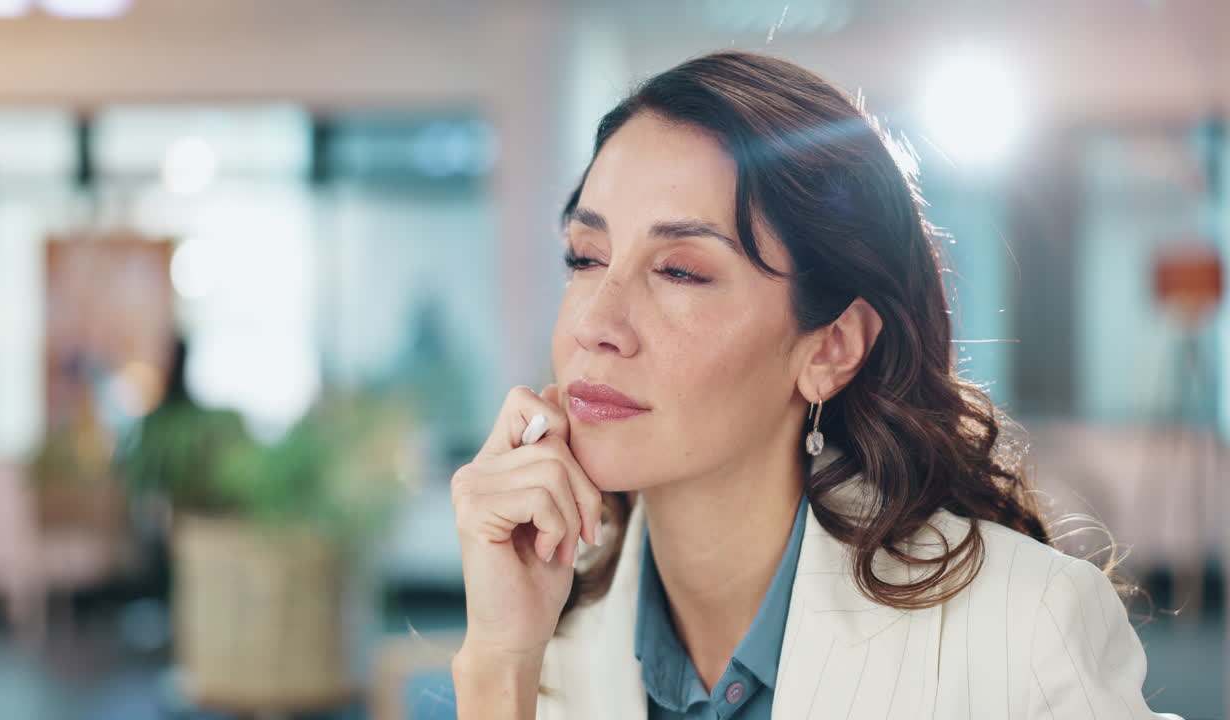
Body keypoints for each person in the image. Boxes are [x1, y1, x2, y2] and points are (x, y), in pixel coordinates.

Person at [449, 50, 1183, 720]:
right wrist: (499, 665)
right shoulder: (545, 636)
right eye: (585, 258)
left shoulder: (1023, 631)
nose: (597, 323)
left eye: (680, 271)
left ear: (831, 347)